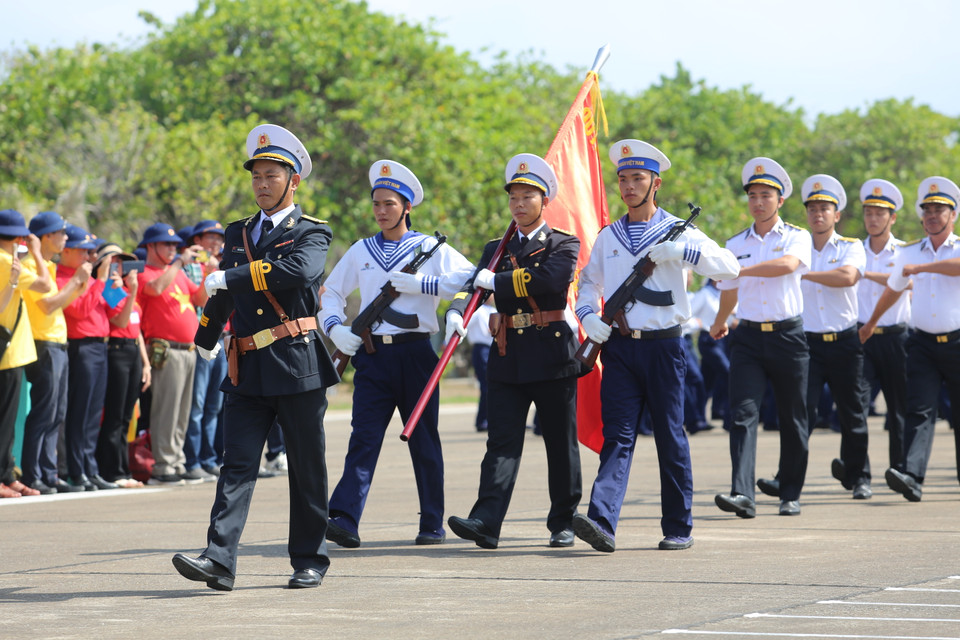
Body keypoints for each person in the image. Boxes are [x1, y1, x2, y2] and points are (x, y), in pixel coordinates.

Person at [172, 123, 337, 591]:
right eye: (257, 176)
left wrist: (231, 278)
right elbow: (222, 296)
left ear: (293, 181)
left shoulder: (313, 233)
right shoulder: (238, 232)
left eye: (271, 175)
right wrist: (203, 340)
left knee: (306, 467)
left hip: (297, 364)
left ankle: (309, 559)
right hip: (246, 366)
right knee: (237, 464)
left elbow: (297, 272)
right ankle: (219, 560)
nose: (262, 184)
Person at [573, 140, 739, 552]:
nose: (629, 187)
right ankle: (601, 523)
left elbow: (730, 267)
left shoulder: (678, 231)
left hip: (665, 348)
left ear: (656, 184)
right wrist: (588, 317)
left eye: (638, 179)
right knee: (618, 437)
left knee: (670, 435)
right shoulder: (609, 236)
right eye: (623, 179)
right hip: (620, 349)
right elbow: (588, 284)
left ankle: (678, 527)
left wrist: (681, 251)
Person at [320, 159, 472, 548]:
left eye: (390, 203)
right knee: (363, 438)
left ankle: (432, 523)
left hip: (417, 354)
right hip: (372, 356)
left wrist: (427, 285)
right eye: (376, 204)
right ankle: (345, 518)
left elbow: (471, 281)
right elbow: (332, 293)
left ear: (407, 207)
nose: (382, 211)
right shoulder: (361, 249)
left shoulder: (429, 247)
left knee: (424, 439)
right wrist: (335, 327)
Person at [446, 153, 583, 550]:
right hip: (508, 354)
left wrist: (499, 282)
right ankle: (486, 521)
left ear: (544, 201)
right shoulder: (496, 246)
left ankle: (564, 521)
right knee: (501, 443)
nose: (519, 204)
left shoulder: (563, 242)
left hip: (552, 351)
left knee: (559, 441)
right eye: (514, 198)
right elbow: (472, 285)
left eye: (527, 197)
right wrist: (456, 311)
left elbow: (549, 279)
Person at [711, 157, 812, 517]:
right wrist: (720, 320)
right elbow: (729, 288)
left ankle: (790, 492)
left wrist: (740, 268)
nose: (758, 202)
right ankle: (743, 494)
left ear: (780, 199)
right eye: (752, 195)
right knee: (742, 414)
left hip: (788, 336)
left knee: (793, 416)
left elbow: (786, 266)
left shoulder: (797, 237)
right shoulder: (733, 243)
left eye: (766, 195)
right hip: (748, 338)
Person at [860, 176, 960, 502]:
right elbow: (893, 289)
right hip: (922, 344)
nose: (932, 215)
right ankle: (912, 476)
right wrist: (872, 322)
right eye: (927, 210)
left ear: (953, 214)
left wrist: (921, 268)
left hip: (957, 342)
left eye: (939, 210)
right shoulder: (910, 252)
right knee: (919, 411)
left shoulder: (956, 248)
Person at [796, 174, 870, 499]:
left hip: (844, 340)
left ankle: (860, 476)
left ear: (837, 214)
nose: (818, 214)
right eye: (812, 208)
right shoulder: (796, 246)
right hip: (807, 343)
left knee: (852, 412)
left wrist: (802, 272)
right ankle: (790, 481)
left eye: (825, 208)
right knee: (802, 413)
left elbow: (848, 277)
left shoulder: (851, 246)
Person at [20, 212, 88, 494]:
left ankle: (49, 473)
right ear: (46, 236)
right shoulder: (30, 264)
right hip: (43, 343)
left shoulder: (45, 264)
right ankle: (32, 473)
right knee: (43, 411)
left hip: (57, 343)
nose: (65, 238)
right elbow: (48, 306)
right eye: (61, 233)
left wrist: (78, 284)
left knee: (56, 413)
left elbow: (57, 304)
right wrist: (75, 282)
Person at [136, 222, 207, 485]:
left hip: (187, 350)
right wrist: (178, 263)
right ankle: (164, 465)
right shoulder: (147, 272)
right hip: (165, 349)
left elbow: (199, 299)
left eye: (175, 245)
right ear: (150, 246)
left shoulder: (175, 273)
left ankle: (175, 461)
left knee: (182, 411)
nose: (172, 249)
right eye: (166, 244)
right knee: (166, 410)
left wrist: (210, 274)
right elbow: (154, 289)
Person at [58, 223, 121, 491]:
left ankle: (89, 467)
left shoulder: (92, 280)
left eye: (92, 252)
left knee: (94, 412)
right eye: (85, 251)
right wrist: (100, 281)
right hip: (81, 346)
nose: (90, 258)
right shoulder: (63, 278)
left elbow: (116, 310)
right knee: (80, 412)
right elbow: (80, 311)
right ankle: (76, 469)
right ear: (68, 250)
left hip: (100, 347)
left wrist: (121, 285)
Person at [856, 179, 910, 472]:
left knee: (899, 408)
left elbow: (910, 283)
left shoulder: (905, 251)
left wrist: (869, 274)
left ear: (893, 217)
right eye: (868, 213)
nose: (873, 219)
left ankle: (900, 469)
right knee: (857, 407)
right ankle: (860, 473)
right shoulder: (853, 250)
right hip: (861, 337)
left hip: (897, 337)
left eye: (880, 213)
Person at [0, 209, 50, 498]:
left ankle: (8, 473)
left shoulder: (8, 260)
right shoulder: (8, 261)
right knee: (5, 420)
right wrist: (36, 251)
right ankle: (4, 475)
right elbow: (45, 284)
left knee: (6, 419)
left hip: (11, 350)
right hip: (9, 351)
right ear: (19, 236)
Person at [95, 243, 151, 488]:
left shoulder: (125, 290)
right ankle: (112, 471)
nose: (119, 267)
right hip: (116, 350)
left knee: (127, 414)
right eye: (114, 261)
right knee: (115, 414)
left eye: (122, 262)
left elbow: (136, 330)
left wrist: (146, 363)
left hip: (132, 351)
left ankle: (122, 468)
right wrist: (132, 293)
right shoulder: (109, 288)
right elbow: (119, 319)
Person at [184, 218, 227, 482]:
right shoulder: (191, 266)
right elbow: (200, 299)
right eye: (210, 237)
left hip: (221, 338)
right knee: (197, 404)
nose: (216, 243)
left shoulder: (219, 266)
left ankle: (209, 458)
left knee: (214, 403)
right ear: (197, 241)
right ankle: (193, 459)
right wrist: (212, 273)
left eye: (219, 238)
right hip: (201, 339)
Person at [466, 298, 495, 432]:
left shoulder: (493, 310)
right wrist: (447, 341)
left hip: (492, 348)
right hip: (481, 348)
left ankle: (491, 419)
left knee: (493, 386)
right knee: (486, 385)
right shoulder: (476, 310)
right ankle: (482, 420)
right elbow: (464, 324)